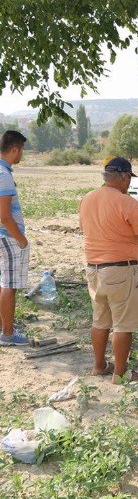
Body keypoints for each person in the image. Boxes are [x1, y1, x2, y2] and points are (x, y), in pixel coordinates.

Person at [79, 156, 138, 383]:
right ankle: (121, 374)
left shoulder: (87, 199)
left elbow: (86, 227)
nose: (129, 184)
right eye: (129, 179)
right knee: (123, 324)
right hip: (120, 270)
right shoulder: (126, 202)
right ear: (124, 177)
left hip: (93, 269)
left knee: (100, 320)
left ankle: (99, 365)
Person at [0, 130, 29, 346]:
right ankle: (8, 334)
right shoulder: (4, 175)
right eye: (22, 151)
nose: (22, 156)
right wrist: (21, 239)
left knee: (4, 282)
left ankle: (5, 326)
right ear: (15, 149)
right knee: (9, 284)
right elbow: (4, 215)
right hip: (8, 236)